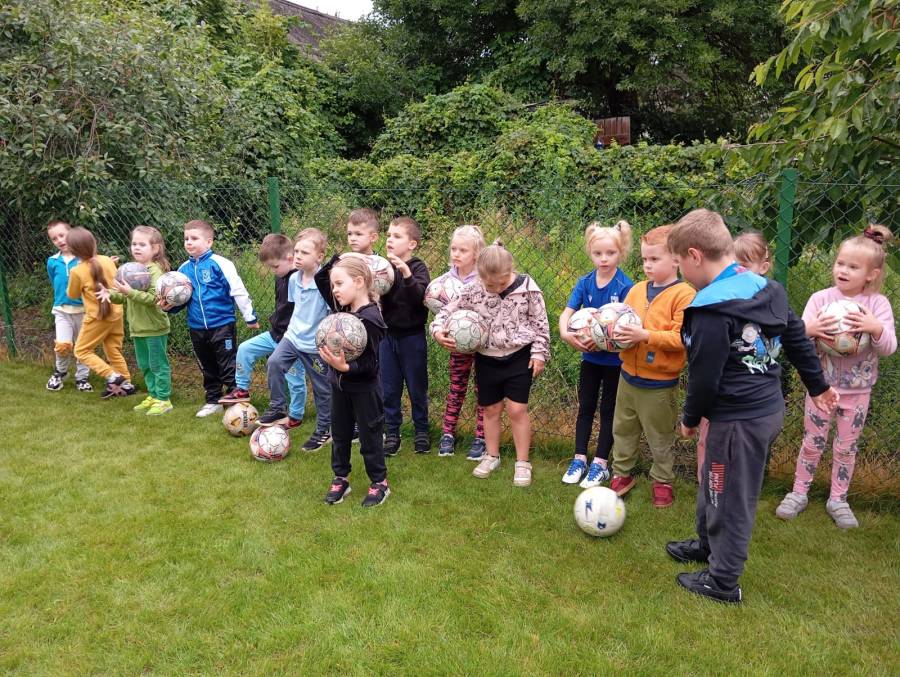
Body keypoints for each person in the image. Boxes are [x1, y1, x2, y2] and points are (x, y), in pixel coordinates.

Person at [665, 208, 838, 604]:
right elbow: (795, 336)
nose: (681, 274)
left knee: (729, 495)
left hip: (739, 420)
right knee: (716, 482)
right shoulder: (766, 287)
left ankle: (723, 581)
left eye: (679, 264)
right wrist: (817, 385)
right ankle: (707, 545)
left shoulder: (710, 310)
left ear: (694, 256)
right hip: (765, 410)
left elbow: (704, 377)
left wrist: (690, 418)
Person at [775, 224, 896, 529]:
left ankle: (838, 499)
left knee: (845, 447)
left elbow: (889, 348)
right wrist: (811, 329)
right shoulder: (820, 300)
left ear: (871, 274)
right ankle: (798, 492)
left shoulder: (877, 305)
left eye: (853, 267)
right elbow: (797, 338)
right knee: (812, 441)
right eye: (840, 263)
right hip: (820, 389)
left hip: (858, 393)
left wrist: (874, 328)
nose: (843, 270)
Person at [432, 241, 550, 487]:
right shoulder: (474, 289)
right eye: (489, 285)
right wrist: (437, 330)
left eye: (500, 283)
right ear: (480, 276)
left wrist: (539, 353)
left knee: (517, 410)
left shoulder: (528, 288)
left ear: (510, 271)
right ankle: (491, 455)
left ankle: (523, 462)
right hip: (486, 358)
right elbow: (447, 310)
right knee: (491, 409)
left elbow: (540, 323)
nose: (495, 289)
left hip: (519, 356)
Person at [608, 225, 695, 508]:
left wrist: (644, 335)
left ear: (676, 259)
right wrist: (607, 334)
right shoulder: (635, 290)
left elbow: (681, 339)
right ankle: (622, 473)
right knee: (623, 429)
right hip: (627, 378)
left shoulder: (684, 295)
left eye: (655, 259)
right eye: (645, 259)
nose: (648, 265)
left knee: (660, 435)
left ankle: (662, 480)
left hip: (659, 384)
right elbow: (620, 323)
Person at [559, 220, 634, 488]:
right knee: (586, 407)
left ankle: (600, 463)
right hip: (589, 359)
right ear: (590, 253)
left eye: (610, 253)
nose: (604, 258)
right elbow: (567, 313)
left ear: (620, 253)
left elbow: (628, 324)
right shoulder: (585, 282)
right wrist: (566, 334)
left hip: (614, 362)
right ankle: (579, 459)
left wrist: (604, 340)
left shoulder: (625, 286)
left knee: (608, 409)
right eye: (598, 253)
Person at [695, 230, 773, 481]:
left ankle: (732, 485)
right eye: (733, 265)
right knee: (706, 439)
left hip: (745, 399)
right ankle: (705, 483)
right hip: (715, 394)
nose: (737, 272)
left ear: (763, 268)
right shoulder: (717, 298)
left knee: (738, 448)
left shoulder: (767, 303)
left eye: (745, 266)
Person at [315, 255, 390, 507]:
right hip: (339, 387)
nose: (334, 290)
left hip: (365, 389)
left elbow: (371, 363)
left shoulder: (371, 318)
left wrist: (346, 367)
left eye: (339, 284)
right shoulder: (343, 309)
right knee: (340, 434)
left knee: (370, 437)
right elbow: (320, 278)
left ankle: (379, 482)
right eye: (334, 285)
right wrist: (339, 258)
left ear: (358, 282)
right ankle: (341, 478)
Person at [164, 219, 258, 417]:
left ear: (209, 242)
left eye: (194, 238)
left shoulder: (221, 264)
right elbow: (181, 299)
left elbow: (238, 290)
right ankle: (213, 400)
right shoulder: (182, 271)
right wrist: (169, 307)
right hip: (196, 327)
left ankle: (236, 399)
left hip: (222, 324)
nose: (189, 242)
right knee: (207, 365)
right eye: (186, 239)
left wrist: (249, 317)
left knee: (227, 363)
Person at [220, 234, 306, 429]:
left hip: (293, 341)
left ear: (290, 258)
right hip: (275, 334)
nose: (273, 271)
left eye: (275, 267)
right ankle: (242, 389)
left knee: (295, 379)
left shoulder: (300, 280)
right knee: (245, 349)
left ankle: (295, 415)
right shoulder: (280, 278)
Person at [263, 229, 333, 452]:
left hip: (314, 346)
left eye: (305, 252)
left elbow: (331, 314)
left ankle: (324, 430)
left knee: (323, 390)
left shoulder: (326, 283)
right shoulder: (293, 278)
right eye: (297, 251)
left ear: (319, 257)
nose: (297, 256)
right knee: (274, 363)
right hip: (292, 337)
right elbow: (297, 309)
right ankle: (277, 407)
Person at [103, 226, 173, 415]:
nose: (137, 247)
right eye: (134, 244)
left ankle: (164, 399)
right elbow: (123, 296)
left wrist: (130, 292)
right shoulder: (130, 269)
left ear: (155, 249)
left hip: (154, 328)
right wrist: (109, 294)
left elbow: (154, 299)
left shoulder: (155, 271)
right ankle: (153, 395)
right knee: (145, 365)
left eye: (142, 244)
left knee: (158, 365)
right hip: (138, 328)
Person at [433, 225, 488, 460]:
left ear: (476, 254)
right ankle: (447, 433)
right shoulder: (446, 280)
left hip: (484, 346)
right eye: (454, 249)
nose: (456, 254)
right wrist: (439, 330)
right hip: (457, 345)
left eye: (463, 250)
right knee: (456, 387)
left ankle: (481, 437)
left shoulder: (485, 278)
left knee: (483, 390)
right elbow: (437, 304)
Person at [380, 216, 432, 455]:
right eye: (388, 235)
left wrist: (406, 273)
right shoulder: (383, 268)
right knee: (389, 388)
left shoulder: (418, 268)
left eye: (397, 236)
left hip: (412, 338)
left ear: (412, 244)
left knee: (416, 387)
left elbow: (420, 297)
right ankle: (392, 433)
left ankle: (422, 431)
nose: (390, 240)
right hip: (387, 338)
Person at [65, 227, 136, 398]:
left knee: (81, 350)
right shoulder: (106, 260)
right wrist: (111, 264)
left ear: (73, 251)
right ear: (94, 243)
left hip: (98, 318)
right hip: (116, 313)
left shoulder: (76, 271)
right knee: (113, 349)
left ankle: (113, 376)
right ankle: (126, 384)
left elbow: (72, 294)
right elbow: (113, 278)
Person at [45, 220, 91, 392]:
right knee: (63, 345)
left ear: (70, 234)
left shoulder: (84, 259)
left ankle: (82, 378)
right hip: (62, 310)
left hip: (84, 311)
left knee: (83, 346)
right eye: (54, 238)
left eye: (62, 235)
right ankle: (60, 373)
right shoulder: (52, 261)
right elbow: (54, 281)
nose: (59, 240)